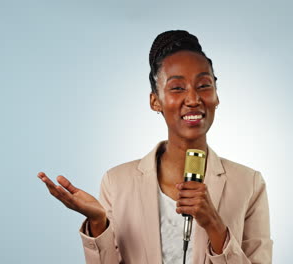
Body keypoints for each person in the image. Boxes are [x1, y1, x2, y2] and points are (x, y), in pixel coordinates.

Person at [37, 30, 273, 263]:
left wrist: (215, 225)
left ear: (216, 96)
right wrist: (98, 223)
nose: (193, 99)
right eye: (178, 88)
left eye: (203, 85)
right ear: (155, 101)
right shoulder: (117, 182)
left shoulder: (249, 184)